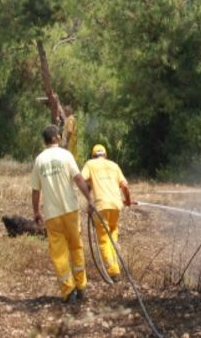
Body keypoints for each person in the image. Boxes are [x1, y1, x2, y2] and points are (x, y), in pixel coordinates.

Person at [31, 125, 94, 304]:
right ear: (58, 138)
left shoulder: (39, 160)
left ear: (44, 141)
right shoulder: (66, 155)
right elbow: (79, 179)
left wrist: (36, 212)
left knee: (59, 253)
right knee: (76, 247)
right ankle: (81, 286)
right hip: (70, 210)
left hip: (52, 214)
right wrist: (89, 199)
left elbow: (35, 190)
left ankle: (69, 291)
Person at [81, 144, 133, 279]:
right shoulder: (114, 165)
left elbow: (81, 180)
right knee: (113, 235)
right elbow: (125, 186)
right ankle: (116, 265)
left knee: (104, 239)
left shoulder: (90, 164)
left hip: (101, 206)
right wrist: (127, 200)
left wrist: (89, 201)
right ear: (105, 155)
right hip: (116, 205)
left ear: (93, 155)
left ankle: (113, 271)